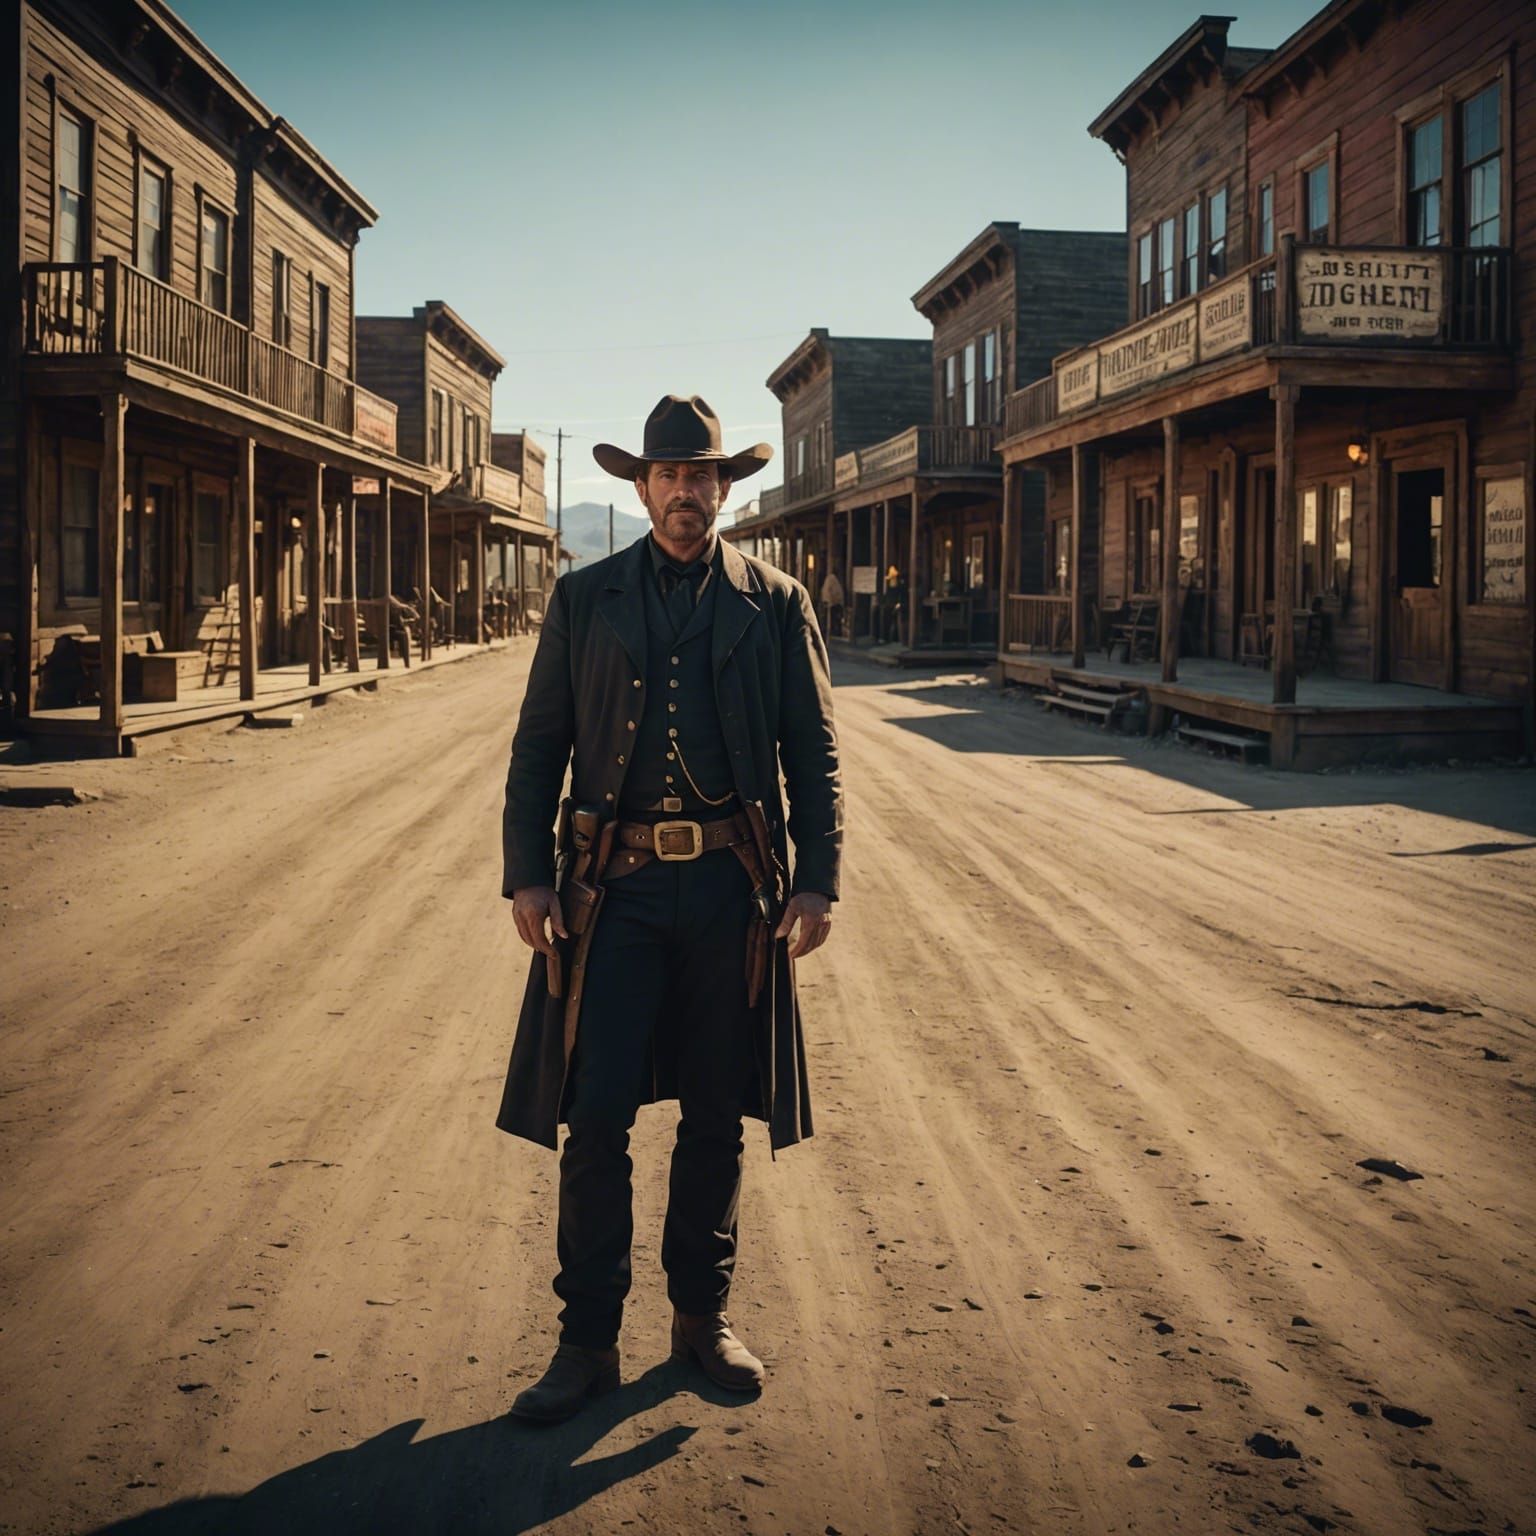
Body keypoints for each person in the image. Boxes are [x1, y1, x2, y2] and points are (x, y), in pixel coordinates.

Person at [498, 394, 843, 1422]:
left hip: (732, 892)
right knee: (596, 1116)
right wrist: (528, 873)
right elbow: (539, 745)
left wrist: (817, 878)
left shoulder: (776, 603)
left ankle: (701, 1318)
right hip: (616, 892)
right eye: (669, 475)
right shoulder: (584, 598)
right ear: (642, 488)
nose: (686, 492)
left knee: (714, 1114)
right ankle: (587, 1341)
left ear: (724, 490)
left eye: (703, 476)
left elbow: (814, 753)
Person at [818, 566, 845, 639]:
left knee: (833, 618)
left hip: (832, 602)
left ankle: (832, 631)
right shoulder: (832, 579)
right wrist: (831, 601)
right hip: (833, 603)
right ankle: (833, 631)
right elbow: (831, 592)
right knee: (834, 618)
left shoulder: (831, 579)